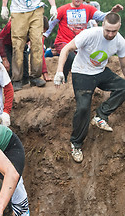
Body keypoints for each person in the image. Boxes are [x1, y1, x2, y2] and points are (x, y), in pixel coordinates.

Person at [54, 12, 125, 163]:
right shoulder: (90, 34)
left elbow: (123, 63)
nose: (110, 34)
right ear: (103, 25)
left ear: (119, 28)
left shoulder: (120, 41)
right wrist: (60, 71)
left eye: (114, 31)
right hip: (82, 73)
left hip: (100, 72)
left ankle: (101, 115)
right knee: (83, 108)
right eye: (107, 30)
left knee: (123, 87)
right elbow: (66, 49)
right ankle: (76, 144)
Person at [44, 0, 123, 82]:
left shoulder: (88, 9)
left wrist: (112, 12)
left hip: (79, 44)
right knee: (69, 56)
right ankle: (62, 76)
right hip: (63, 42)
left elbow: (103, 17)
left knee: (83, 61)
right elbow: (52, 23)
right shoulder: (63, 9)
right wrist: (44, 35)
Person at [1, 0, 57, 90]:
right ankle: (17, 79)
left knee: (37, 43)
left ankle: (35, 76)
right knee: (18, 45)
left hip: (36, 9)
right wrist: (4, 5)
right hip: (18, 10)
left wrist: (53, 5)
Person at [0, 19, 30, 89]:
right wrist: (4, 58)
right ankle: (12, 82)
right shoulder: (11, 25)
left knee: (24, 59)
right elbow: (0, 39)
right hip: (7, 44)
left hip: (21, 43)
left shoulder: (34, 27)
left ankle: (25, 79)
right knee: (11, 66)